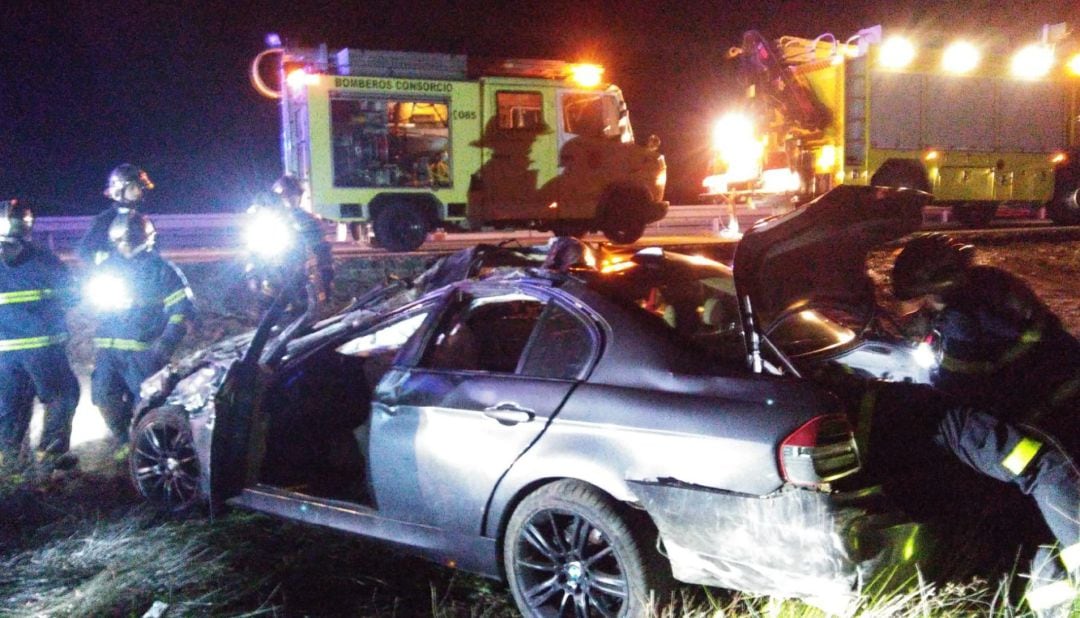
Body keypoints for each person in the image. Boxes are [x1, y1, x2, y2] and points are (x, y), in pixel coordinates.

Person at [891, 233, 1080, 617]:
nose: (916, 308)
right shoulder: (993, 284)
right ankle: (1055, 607)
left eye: (919, 299)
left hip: (1051, 410)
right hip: (1066, 390)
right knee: (1035, 511)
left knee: (1047, 483)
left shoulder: (961, 319)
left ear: (934, 288)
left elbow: (957, 389)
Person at [87, 211, 195, 452]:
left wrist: (166, 342)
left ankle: (146, 449)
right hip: (109, 351)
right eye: (121, 241)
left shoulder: (161, 270)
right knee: (104, 396)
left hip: (144, 353)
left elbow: (183, 309)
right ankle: (124, 442)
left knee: (146, 403)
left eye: (129, 240)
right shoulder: (106, 268)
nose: (125, 246)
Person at [0, 200, 81, 474]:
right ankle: (51, 456)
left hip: (3, 354)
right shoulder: (43, 258)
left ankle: (10, 467)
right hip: (43, 348)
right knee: (64, 395)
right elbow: (72, 295)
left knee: (11, 408)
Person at [269, 174, 334, 303]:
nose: (290, 198)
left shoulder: (309, 220)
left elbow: (322, 248)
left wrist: (326, 273)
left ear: (299, 195)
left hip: (300, 271)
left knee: (302, 299)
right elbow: (254, 249)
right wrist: (252, 273)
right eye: (286, 195)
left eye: (293, 194)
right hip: (273, 272)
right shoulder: (269, 220)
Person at [76, 163, 154, 265]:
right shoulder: (104, 220)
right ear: (119, 190)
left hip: (140, 272)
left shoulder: (143, 221)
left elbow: (153, 251)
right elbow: (84, 250)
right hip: (112, 270)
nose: (137, 192)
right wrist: (104, 257)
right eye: (132, 188)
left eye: (139, 187)